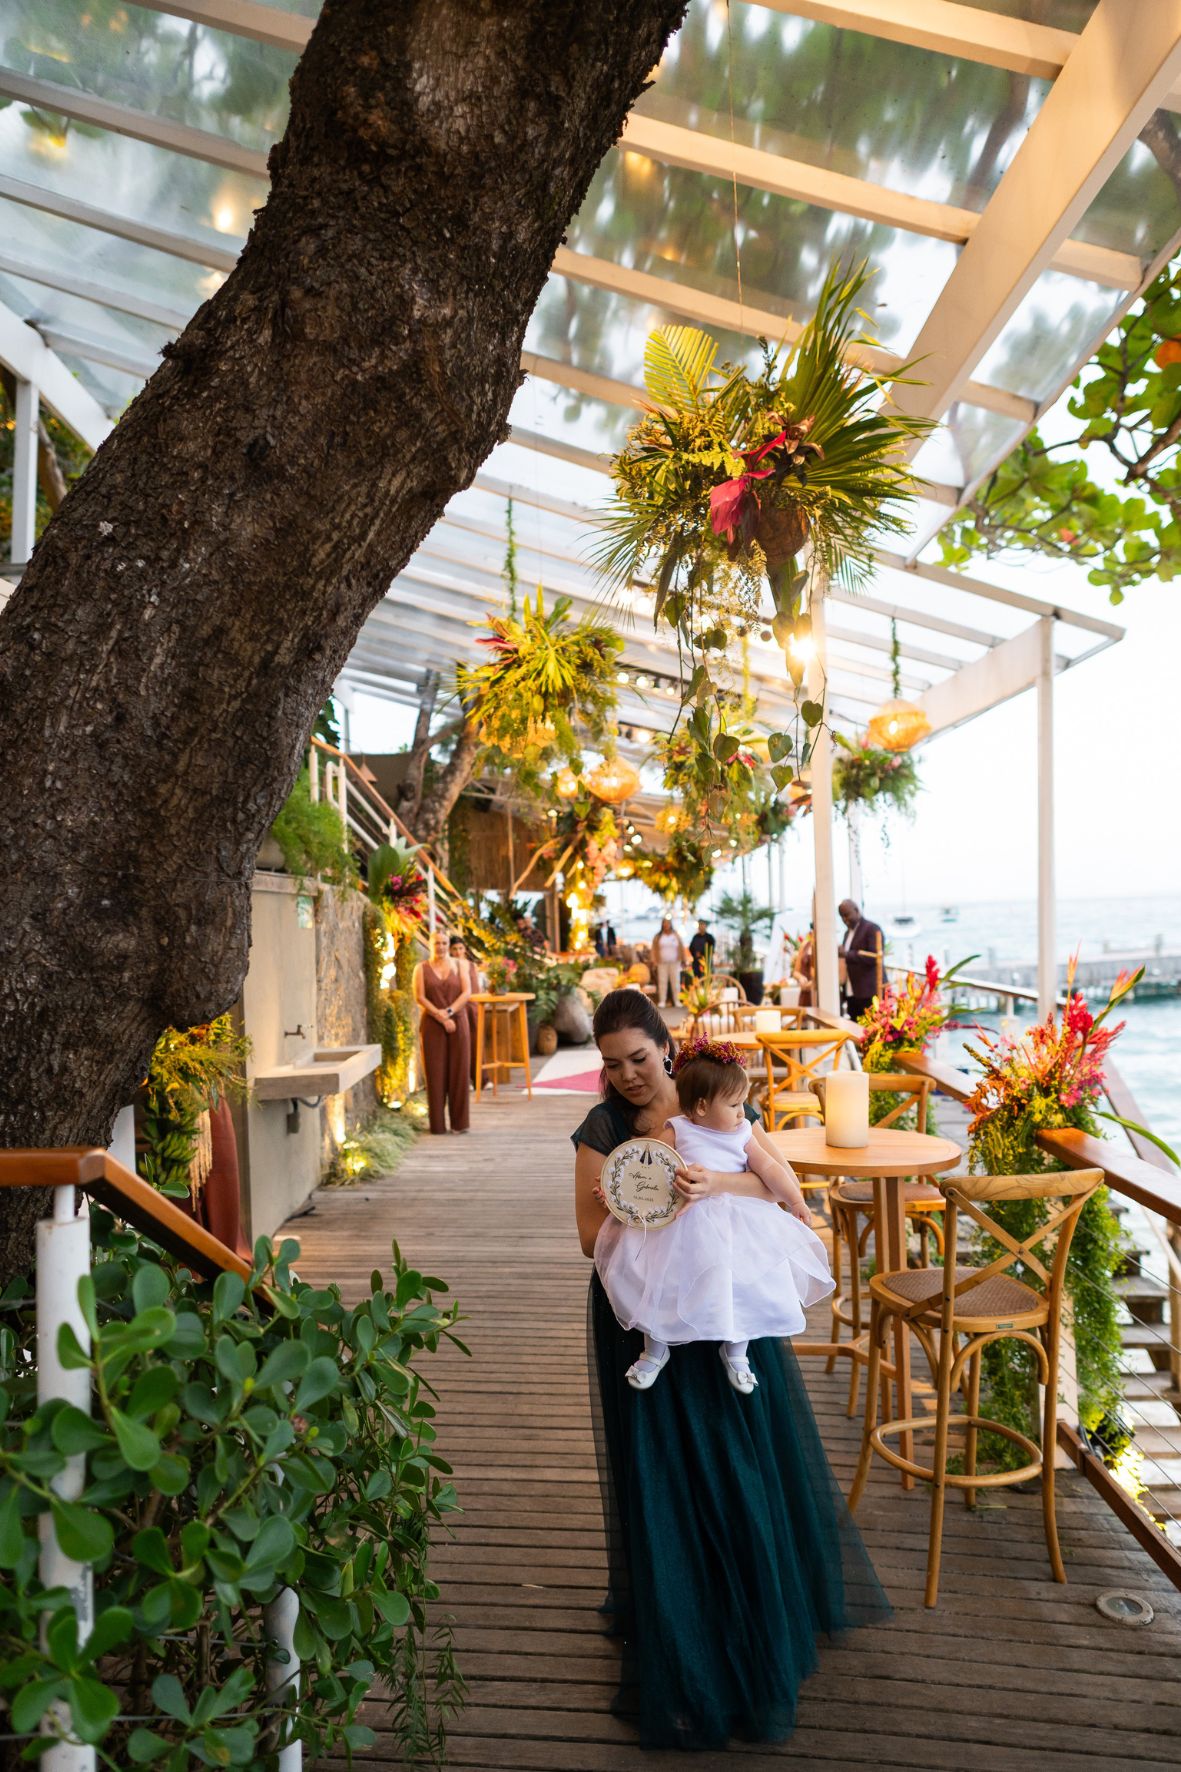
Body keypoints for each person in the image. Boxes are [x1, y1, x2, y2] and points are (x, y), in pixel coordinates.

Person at [572, 990, 890, 1749]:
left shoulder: (713, 1103)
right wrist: (638, 1201)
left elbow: (777, 1187)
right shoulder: (601, 1128)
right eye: (611, 1064)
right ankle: (685, 1647)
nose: (626, 1076)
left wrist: (712, 1186)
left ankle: (754, 1614)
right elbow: (589, 1238)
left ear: (667, 1049)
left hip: (728, 1304)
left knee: (739, 1462)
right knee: (667, 1478)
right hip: (646, 1312)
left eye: (639, 1060)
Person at [594, 1037, 832, 1395]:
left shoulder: (743, 1132)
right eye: (735, 1104)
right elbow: (652, 1166)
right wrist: (616, 1190)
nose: (742, 1111)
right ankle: (654, 1350)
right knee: (658, 1281)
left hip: (739, 1223)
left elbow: (770, 1168)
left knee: (746, 1286)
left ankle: (737, 1351)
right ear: (702, 1106)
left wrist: (796, 1201)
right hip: (682, 1223)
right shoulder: (677, 1128)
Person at [412, 928, 472, 1134]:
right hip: (432, 1025)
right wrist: (439, 1016)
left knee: (460, 1072)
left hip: (458, 1022)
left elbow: (467, 992)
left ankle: (460, 1123)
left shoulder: (460, 966)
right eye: (437, 943)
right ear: (430, 945)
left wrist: (448, 1012)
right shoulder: (421, 968)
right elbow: (420, 996)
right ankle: (437, 1125)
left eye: (444, 943)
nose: (441, 947)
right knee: (435, 1074)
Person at [838, 899, 884, 1021]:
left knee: (872, 1028)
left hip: (868, 992)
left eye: (847, 915)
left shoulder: (871, 929)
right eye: (842, 916)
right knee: (855, 1027)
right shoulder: (847, 934)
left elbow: (874, 957)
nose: (844, 919)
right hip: (852, 991)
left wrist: (847, 954)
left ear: (856, 911)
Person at [449, 934, 481, 1089]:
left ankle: (481, 1078)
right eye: (454, 949)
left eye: (460, 948)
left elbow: (476, 988)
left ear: (465, 949)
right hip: (458, 1008)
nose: (458, 952)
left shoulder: (471, 965)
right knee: (462, 1044)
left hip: (473, 1007)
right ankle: (465, 1079)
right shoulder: (449, 966)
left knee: (477, 1042)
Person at [651, 917, 686, 1006]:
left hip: (675, 962)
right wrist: (654, 960)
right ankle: (662, 1000)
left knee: (675, 981)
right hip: (662, 962)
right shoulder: (658, 936)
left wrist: (683, 960)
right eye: (664, 923)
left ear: (671, 924)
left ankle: (677, 1000)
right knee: (662, 981)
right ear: (662, 924)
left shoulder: (676, 935)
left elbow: (682, 948)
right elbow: (653, 949)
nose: (666, 925)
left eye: (668, 923)